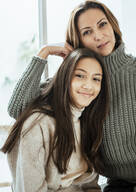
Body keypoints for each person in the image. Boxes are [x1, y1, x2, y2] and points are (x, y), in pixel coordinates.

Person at [7, 0, 136, 192]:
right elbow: (19, 108)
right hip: (118, 186)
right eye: (87, 32)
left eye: (102, 24)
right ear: (79, 41)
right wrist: (43, 54)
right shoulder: (81, 83)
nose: (98, 35)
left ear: (112, 25)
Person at [1, 48, 110, 192]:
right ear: (65, 77)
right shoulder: (39, 123)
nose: (88, 85)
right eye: (80, 75)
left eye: (96, 79)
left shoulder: (87, 120)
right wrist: (45, 52)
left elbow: (90, 183)